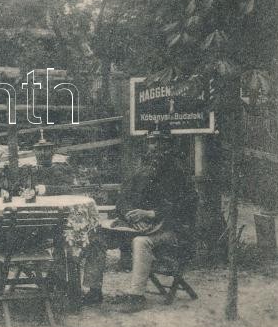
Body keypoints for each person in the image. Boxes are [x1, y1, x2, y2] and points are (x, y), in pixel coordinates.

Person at [80, 129, 198, 312]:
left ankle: (136, 297)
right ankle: (94, 291)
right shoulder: (142, 169)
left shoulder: (178, 171)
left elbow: (187, 205)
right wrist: (130, 215)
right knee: (97, 236)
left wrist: (151, 213)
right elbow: (122, 200)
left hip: (170, 230)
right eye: (152, 142)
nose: (155, 147)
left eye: (160, 142)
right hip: (136, 227)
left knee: (141, 242)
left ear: (169, 145)